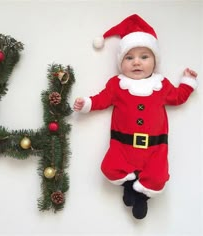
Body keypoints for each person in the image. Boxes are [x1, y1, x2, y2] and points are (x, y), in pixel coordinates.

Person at [73, 14, 198, 219]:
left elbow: (178, 97)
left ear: (154, 61)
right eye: (129, 58)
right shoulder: (117, 84)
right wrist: (87, 103)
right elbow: (102, 99)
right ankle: (130, 184)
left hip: (155, 147)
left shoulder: (161, 85)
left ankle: (142, 197)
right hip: (122, 145)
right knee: (110, 167)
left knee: (158, 177)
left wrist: (187, 82)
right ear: (121, 62)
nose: (136, 62)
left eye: (144, 57)